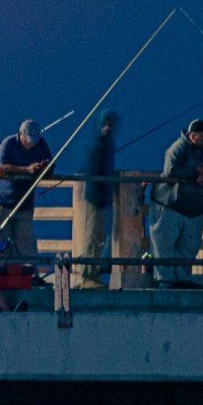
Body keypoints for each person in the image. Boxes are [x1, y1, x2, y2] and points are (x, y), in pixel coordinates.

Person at [148, 119, 203, 289]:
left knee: (189, 245)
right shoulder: (178, 147)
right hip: (170, 204)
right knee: (165, 243)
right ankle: (166, 280)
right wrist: (193, 174)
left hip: (195, 206)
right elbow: (170, 171)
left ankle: (183, 278)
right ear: (192, 136)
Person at [0, 119, 52, 258]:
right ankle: (1, 275)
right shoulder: (8, 144)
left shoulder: (41, 144)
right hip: (3, 203)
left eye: (34, 141)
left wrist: (44, 168)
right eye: (29, 140)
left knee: (25, 243)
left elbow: (50, 164)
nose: (31, 144)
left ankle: (29, 274)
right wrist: (27, 170)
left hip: (25, 203)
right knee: (2, 243)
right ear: (21, 135)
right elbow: (3, 168)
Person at [78, 110, 118, 289]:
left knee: (100, 237)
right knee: (92, 237)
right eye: (105, 124)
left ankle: (92, 275)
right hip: (95, 199)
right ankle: (87, 277)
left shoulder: (108, 144)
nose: (108, 128)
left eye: (110, 124)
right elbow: (93, 172)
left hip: (104, 199)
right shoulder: (96, 145)